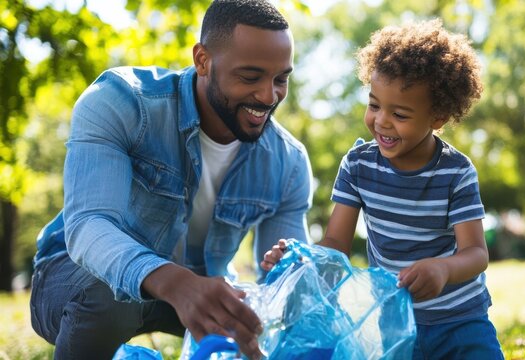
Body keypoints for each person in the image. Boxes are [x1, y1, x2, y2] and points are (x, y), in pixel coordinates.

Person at [29, 1, 313, 359]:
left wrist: (287, 275)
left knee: (257, 322)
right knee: (108, 296)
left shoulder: (287, 162)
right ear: (203, 60)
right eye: (250, 77)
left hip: (197, 286)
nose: (269, 96)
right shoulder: (122, 103)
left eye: (281, 79)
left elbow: (286, 285)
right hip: (76, 276)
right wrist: (175, 282)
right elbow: (88, 226)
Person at [262, 19, 503, 359]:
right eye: (374, 105)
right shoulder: (359, 166)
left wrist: (443, 269)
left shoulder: (456, 172)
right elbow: (335, 244)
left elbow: (476, 253)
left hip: (460, 321)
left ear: (438, 117)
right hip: (395, 321)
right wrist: (301, 260)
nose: (381, 121)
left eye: (400, 114)